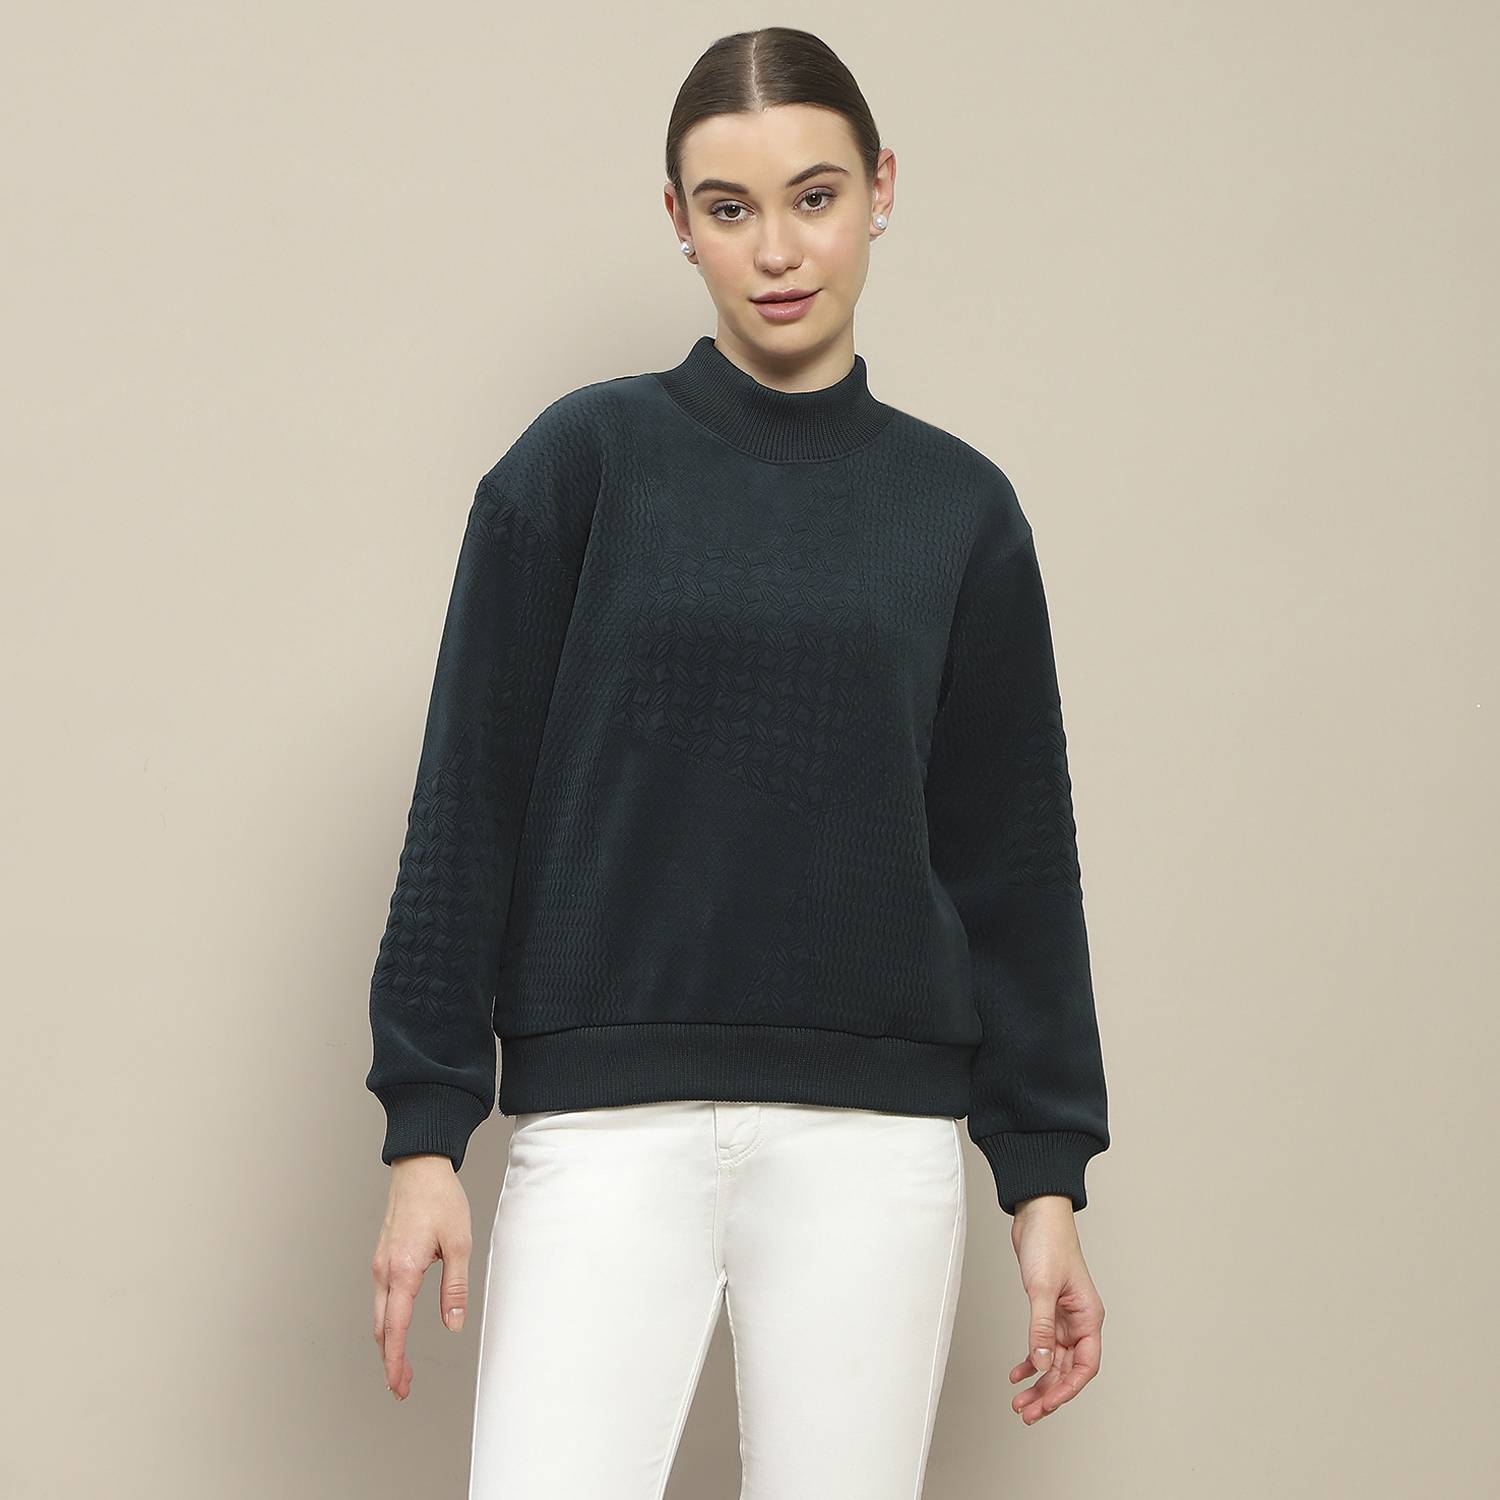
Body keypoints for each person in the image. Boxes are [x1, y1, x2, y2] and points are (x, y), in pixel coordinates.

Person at [365, 25, 1110, 1498]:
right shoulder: (580, 464)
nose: (777, 249)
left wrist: (1045, 1180)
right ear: (678, 219)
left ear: (882, 189)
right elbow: (468, 798)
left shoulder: (958, 510)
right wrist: (424, 1134)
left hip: (872, 1147)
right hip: (607, 1126)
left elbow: (1014, 855)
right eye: (730, 207)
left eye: (815, 196)